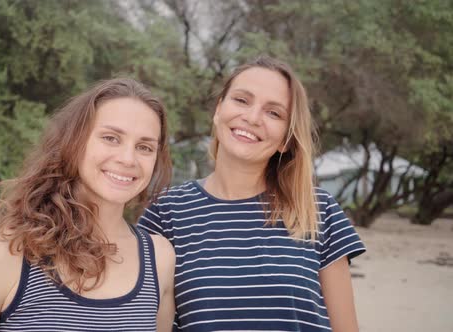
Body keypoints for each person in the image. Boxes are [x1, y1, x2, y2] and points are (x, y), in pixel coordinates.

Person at [138, 56, 366, 331]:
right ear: (218, 109)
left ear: (286, 139)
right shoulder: (166, 212)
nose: (252, 117)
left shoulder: (319, 208)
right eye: (242, 100)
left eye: (274, 113)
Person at [0, 78, 176, 332]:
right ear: (74, 141)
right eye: (111, 138)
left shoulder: (160, 259)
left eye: (145, 147)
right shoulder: (2, 252)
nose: (127, 158)